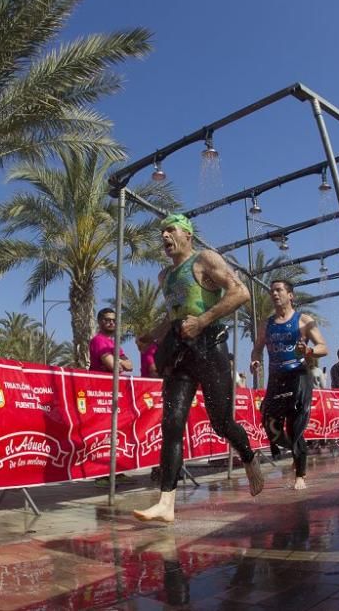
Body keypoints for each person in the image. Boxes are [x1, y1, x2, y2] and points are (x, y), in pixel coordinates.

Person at [133, 214, 263, 523]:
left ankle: (248, 456)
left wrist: (203, 320)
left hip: (210, 347)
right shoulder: (166, 276)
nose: (164, 235)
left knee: (221, 423)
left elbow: (240, 292)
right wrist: (154, 334)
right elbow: (174, 314)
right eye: (161, 231)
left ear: (187, 234)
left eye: (170, 229)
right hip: (181, 353)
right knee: (172, 423)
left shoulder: (204, 259)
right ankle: (166, 502)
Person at [250, 279, 328, 491]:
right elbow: (257, 348)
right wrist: (255, 359)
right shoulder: (266, 324)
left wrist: (310, 351)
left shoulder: (303, 320)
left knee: (295, 426)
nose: (274, 294)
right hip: (276, 377)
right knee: (269, 423)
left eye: (279, 290)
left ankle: (300, 474)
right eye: (272, 291)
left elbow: (323, 347)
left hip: (299, 375)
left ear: (290, 295)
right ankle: (294, 450)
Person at [88, 308, 133, 373]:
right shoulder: (98, 340)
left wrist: (116, 360)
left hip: (113, 382)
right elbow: (116, 368)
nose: (111, 323)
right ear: (99, 321)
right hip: (101, 381)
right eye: (107, 320)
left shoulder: (114, 344)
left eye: (114, 320)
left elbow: (130, 366)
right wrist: (121, 362)